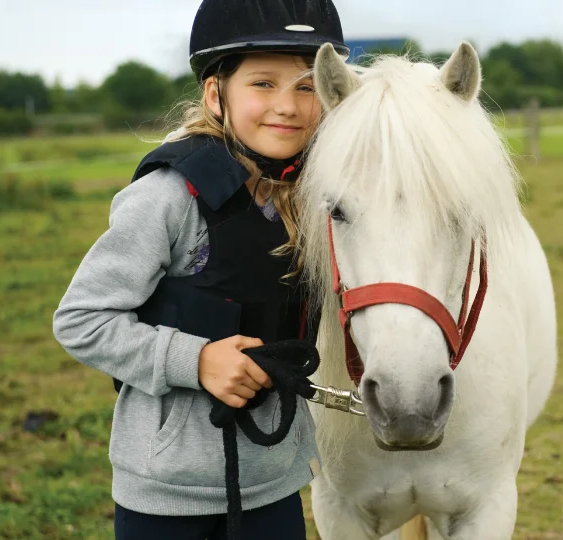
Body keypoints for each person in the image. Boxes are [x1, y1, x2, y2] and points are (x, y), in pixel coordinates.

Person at [52, 1, 348, 538]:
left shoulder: (315, 203)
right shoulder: (168, 197)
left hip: (277, 484)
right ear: (216, 94)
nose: (288, 106)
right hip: (166, 496)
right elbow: (81, 320)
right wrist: (198, 360)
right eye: (262, 83)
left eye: (306, 87)